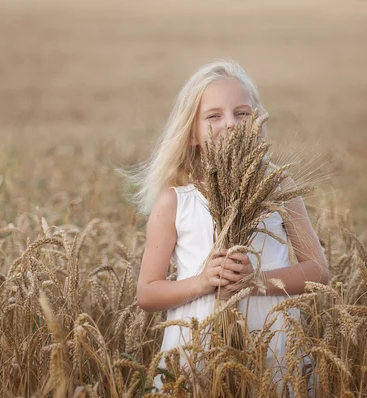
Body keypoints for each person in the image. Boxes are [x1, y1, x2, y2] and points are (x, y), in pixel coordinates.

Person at [129, 59, 328, 392]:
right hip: (197, 348)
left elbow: (318, 270)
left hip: (273, 349)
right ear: (191, 132)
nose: (231, 124)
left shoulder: (278, 186)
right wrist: (203, 282)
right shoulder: (176, 202)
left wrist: (256, 281)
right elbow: (147, 292)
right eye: (213, 116)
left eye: (242, 113)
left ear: (257, 121)